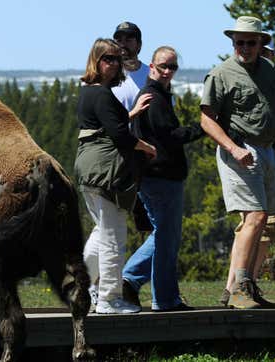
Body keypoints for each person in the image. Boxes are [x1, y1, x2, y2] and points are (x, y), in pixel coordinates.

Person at [200, 16, 275, 309]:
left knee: (267, 223)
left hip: (268, 151)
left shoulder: (270, 70)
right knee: (255, 217)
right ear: (232, 43)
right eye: (239, 42)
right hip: (240, 150)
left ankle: (238, 288)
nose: (244, 47)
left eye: (251, 42)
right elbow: (206, 120)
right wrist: (233, 149)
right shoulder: (221, 74)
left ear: (261, 43)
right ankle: (240, 287)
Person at [74, 38, 156, 314]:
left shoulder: (88, 92)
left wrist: (128, 114)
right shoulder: (102, 95)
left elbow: (108, 125)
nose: (114, 63)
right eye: (107, 58)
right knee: (113, 236)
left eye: (117, 58)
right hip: (106, 172)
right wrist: (146, 147)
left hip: (89, 170)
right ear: (95, 61)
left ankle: (80, 287)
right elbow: (120, 135)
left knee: (101, 232)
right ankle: (109, 299)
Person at [121, 46, 204, 312]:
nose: (168, 72)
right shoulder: (154, 98)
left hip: (157, 177)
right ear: (152, 67)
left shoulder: (156, 95)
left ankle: (131, 280)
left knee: (165, 236)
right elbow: (168, 136)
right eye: (163, 66)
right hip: (160, 177)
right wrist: (202, 127)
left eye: (173, 67)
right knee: (167, 239)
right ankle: (163, 298)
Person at [111, 21, 150, 111]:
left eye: (128, 40)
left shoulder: (152, 75)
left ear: (139, 45)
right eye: (119, 40)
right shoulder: (107, 76)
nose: (123, 45)